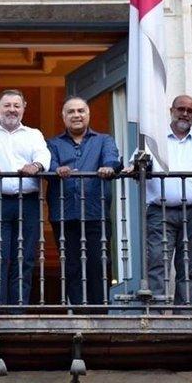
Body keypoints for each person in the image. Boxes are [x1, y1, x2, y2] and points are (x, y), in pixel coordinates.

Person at [131, 95, 192, 306]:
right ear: (171, 110)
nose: (185, 113)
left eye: (190, 111)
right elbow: (137, 163)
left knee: (190, 265)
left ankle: (185, 313)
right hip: (160, 211)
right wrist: (133, 168)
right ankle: (156, 314)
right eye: (181, 109)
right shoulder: (153, 139)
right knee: (157, 262)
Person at [0, 89, 51, 308]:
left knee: (25, 258)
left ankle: (18, 309)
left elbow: (44, 156)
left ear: (24, 108)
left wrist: (36, 166)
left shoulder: (34, 134)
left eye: (16, 105)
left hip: (29, 202)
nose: (12, 109)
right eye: (7, 105)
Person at [46, 96, 121, 307]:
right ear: (63, 116)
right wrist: (56, 169)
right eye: (71, 112)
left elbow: (112, 159)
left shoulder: (104, 140)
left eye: (81, 111)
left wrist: (108, 167)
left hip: (96, 213)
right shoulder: (53, 143)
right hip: (65, 214)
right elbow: (48, 163)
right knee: (71, 267)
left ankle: (99, 313)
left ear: (88, 114)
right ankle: (80, 312)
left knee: (98, 263)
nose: (76, 115)